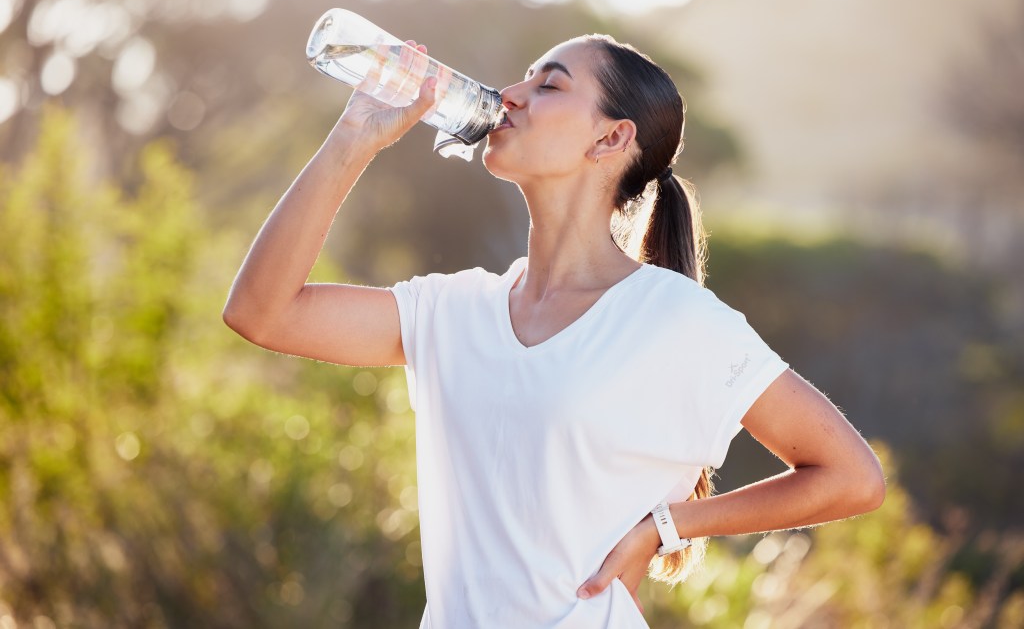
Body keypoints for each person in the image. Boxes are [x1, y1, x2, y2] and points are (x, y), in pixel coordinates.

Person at [223, 33, 886, 628]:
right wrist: (353, 137)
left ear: (611, 139)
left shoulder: (674, 319)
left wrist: (669, 525)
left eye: (549, 86)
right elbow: (261, 312)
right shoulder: (453, 310)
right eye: (525, 79)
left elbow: (851, 477)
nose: (510, 96)